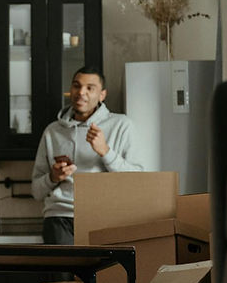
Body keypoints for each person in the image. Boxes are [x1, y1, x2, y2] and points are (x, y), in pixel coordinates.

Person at [31, 66, 145, 246]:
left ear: (102, 95)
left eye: (90, 88)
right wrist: (53, 177)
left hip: (107, 217)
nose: (81, 92)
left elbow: (138, 181)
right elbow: (36, 191)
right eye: (76, 86)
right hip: (60, 217)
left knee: (108, 274)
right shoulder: (52, 131)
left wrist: (105, 151)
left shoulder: (122, 125)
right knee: (64, 275)